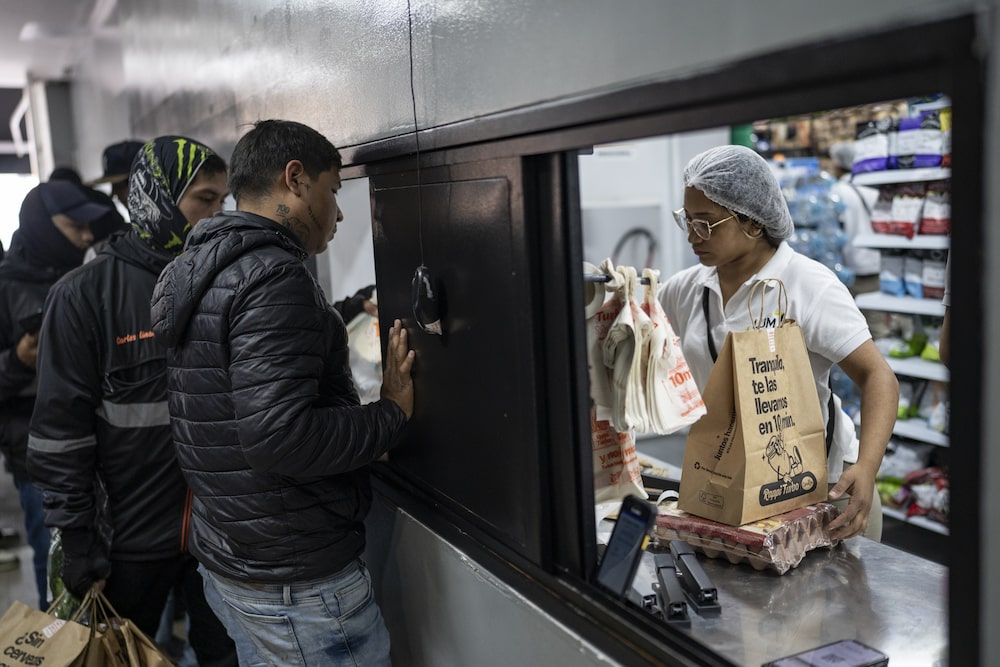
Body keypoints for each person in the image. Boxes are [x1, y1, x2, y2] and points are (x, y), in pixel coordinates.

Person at [149, 119, 415, 666]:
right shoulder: (273, 277)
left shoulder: (203, 269)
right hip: (295, 583)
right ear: (295, 179)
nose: (339, 212)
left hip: (236, 559)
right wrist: (390, 414)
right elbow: (282, 437)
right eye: (333, 190)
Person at [26, 136, 237, 666]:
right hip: (127, 543)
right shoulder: (85, 295)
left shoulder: (228, 279)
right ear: (158, 199)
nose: (217, 214)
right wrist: (77, 539)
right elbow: (60, 433)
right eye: (204, 199)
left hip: (220, 538)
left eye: (222, 200)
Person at [660, 145, 899, 541]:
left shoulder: (808, 286)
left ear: (754, 223)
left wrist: (867, 467)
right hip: (727, 486)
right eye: (687, 219)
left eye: (706, 224)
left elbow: (878, 377)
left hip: (824, 489)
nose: (692, 235)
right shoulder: (684, 290)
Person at [0, 179, 109, 607]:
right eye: (74, 226)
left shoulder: (90, 279)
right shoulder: (6, 286)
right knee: (57, 568)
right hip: (37, 458)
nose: (85, 237)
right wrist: (18, 359)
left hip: (99, 447)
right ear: (43, 227)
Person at [828, 141, 881, 297]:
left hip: (850, 268)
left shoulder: (837, 191)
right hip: (876, 264)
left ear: (837, 163)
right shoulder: (871, 187)